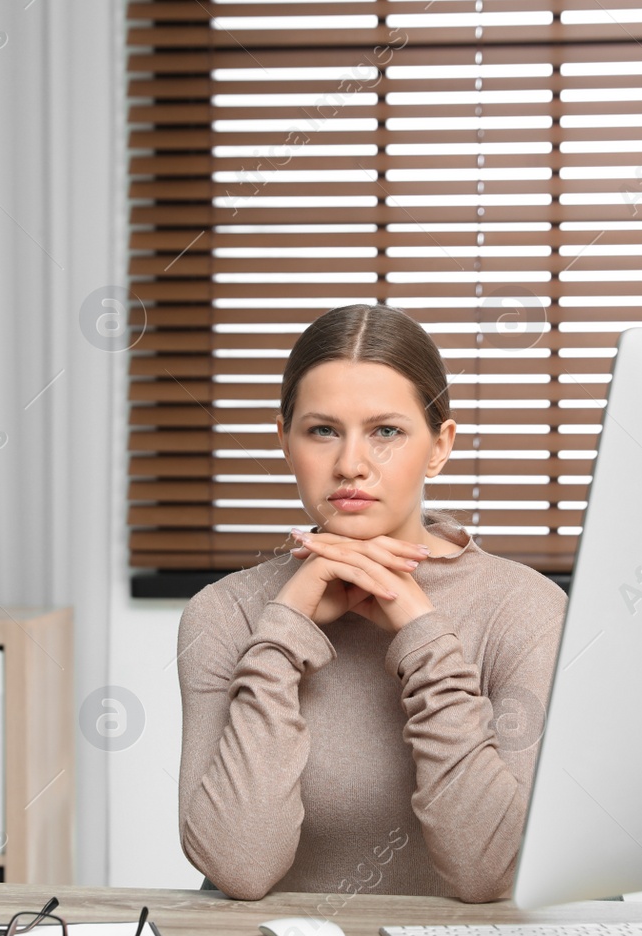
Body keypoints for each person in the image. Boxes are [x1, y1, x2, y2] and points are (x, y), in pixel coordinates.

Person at [176, 304, 568, 903]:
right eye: (322, 430)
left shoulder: (527, 611)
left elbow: (490, 872)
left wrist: (423, 634)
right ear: (284, 441)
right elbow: (239, 866)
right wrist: (281, 634)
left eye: (386, 431)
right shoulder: (224, 613)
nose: (351, 464)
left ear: (440, 445)